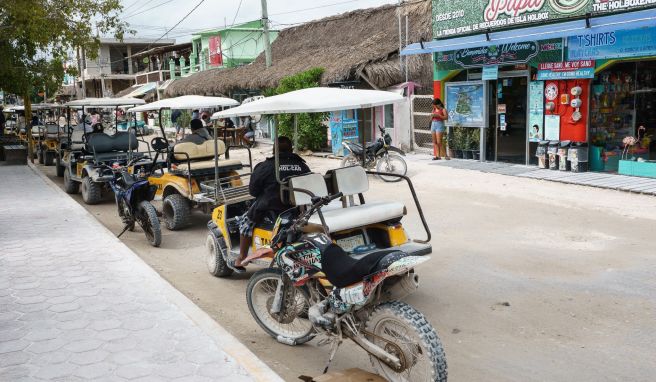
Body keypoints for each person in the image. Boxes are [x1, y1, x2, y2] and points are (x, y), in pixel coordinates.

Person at [232, 136, 310, 271]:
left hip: (269, 209)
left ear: (274, 150)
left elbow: (253, 191)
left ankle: (241, 258)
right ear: (291, 149)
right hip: (297, 209)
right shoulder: (303, 166)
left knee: (245, 224)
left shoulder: (265, 167)